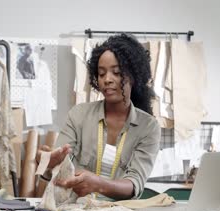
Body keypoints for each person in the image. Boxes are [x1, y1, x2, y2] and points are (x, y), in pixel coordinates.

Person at [38, 34, 160, 200]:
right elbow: (58, 170)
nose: (107, 80)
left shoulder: (148, 127)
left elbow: (134, 183)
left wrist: (99, 184)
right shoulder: (78, 115)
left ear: (133, 76)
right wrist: (48, 163)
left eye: (116, 73)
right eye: (101, 74)